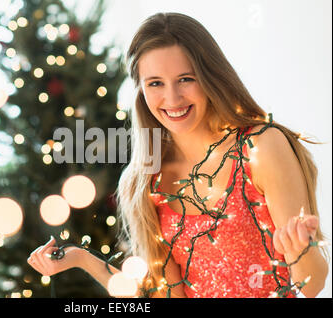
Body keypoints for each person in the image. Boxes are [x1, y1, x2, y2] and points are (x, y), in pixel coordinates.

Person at [27, 12, 328, 298]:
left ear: (211, 76)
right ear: (141, 90)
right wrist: (81, 259)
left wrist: (297, 249)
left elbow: (312, 285)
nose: (172, 98)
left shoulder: (261, 147)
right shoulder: (147, 178)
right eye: (155, 83)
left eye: (186, 79)